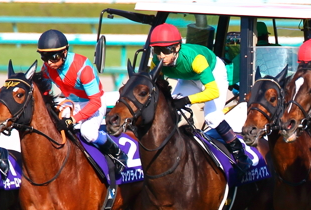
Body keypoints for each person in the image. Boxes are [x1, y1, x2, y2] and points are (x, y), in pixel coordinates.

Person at [148, 23, 249, 172]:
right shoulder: (156, 62)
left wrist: (186, 100)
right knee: (169, 110)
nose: (162, 56)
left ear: (177, 48)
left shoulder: (196, 59)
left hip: (213, 73)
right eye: (157, 50)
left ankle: (239, 152)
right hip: (188, 78)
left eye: (167, 50)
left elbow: (213, 92)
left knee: (212, 117)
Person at [35, 29, 126, 170]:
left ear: (65, 52)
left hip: (93, 102)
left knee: (87, 133)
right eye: (44, 57)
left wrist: (73, 119)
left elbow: (95, 101)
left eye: (53, 57)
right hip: (71, 101)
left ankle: (117, 152)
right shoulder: (47, 68)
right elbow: (45, 91)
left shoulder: (83, 68)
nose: (49, 63)